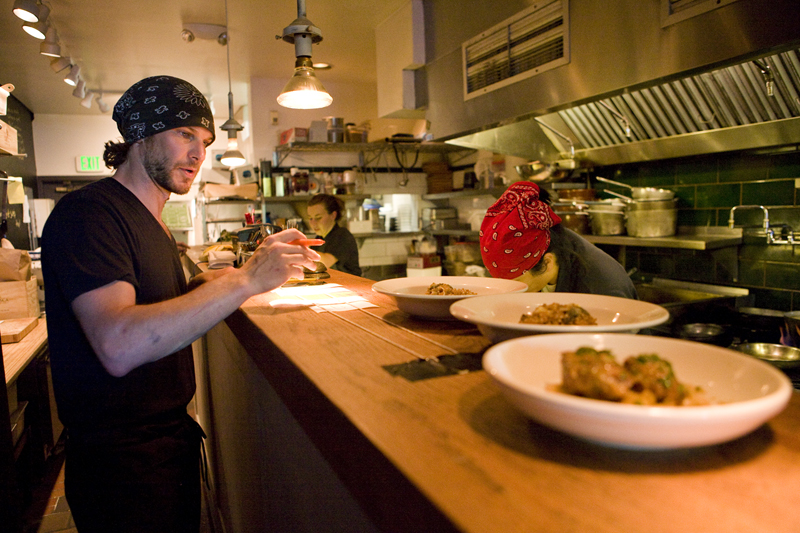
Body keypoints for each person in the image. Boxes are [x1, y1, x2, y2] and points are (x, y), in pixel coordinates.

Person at [40, 75, 319, 533]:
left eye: (205, 141)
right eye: (185, 134)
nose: (198, 154)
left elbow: (158, 302)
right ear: (141, 135)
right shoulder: (89, 213)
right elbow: (119, 343)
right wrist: (246, 280)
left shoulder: (152, 219)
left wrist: (226, 277)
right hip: (121, 469)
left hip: (162, 451)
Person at [480, 181, 637, 299]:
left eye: (516, 283)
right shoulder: (545, 244)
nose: (507, 290)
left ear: (547, 263)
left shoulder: (602, 289)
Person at [306, 193, 362, 276]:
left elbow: (326, 261)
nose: (313, 223)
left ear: (333, 215)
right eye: (310, 218)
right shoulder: (319, 238)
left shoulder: (342, 235)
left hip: (350, 286)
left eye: (318, 218)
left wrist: (302, 248)